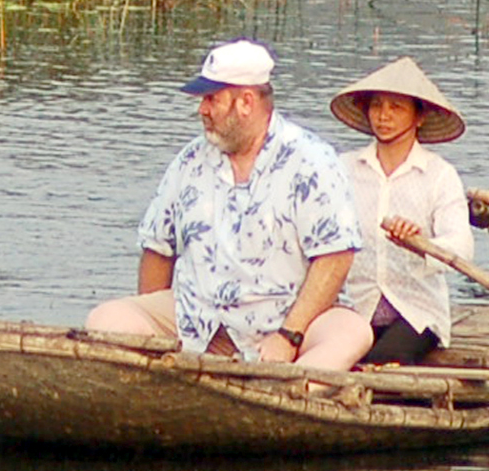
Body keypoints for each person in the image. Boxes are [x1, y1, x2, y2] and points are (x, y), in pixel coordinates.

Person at [89, 41, 358, 362]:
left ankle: (289, 393)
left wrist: (289, 335)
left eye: (211, 99)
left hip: (285, 324)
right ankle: (163, 380)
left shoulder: (312, 160)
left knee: (350, 333)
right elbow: (158, 247)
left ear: (246, 102)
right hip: (197, 320)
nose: (202, 109)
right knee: (106, 320)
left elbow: (335, 257)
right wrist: (153, 342)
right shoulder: (190, 160)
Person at [303, 57, 475, 372]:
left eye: (396, 108)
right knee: (329, 355)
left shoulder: (439, 175)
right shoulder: (342, 169)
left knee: (382, 364)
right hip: (353, 304)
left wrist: (421, 243)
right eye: (377, 106)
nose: (383, 117)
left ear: (419, 116)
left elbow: (462, 245)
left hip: (415, 309)